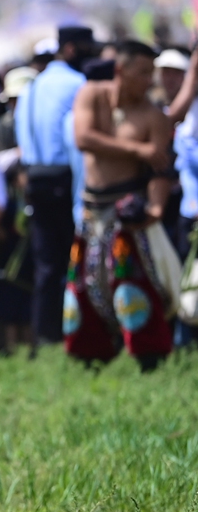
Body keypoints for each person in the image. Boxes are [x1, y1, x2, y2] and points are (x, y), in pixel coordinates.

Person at [66, 41, 188, 369]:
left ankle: (150, 359)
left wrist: (157, 208)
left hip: (128, 212)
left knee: (132, 285)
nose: (150, 80)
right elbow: (84, 137)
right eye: (143, 72)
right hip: (91, 212)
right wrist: (138, 150)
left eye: (153, 73)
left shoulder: (153, 117)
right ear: (121, 70)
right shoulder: (91, 93)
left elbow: (161, 168)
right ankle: (90, 358)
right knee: (84, 289)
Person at [15, 26, 97, 348]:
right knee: (74, 257)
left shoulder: (34, 86)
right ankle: (75, 333)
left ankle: (44, 335)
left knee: (46, 262)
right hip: (65, 178)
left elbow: (24, 136)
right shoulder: (77, 84)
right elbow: (75, 141)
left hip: (36, 177)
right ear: (73, 49)